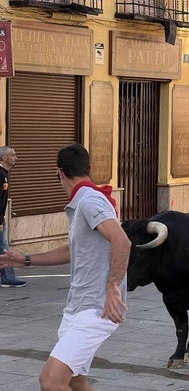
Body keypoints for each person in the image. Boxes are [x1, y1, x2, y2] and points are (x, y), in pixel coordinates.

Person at [0, 144, 131, 391]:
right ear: (88, 169)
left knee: (51, 381)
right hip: (78, 306)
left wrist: (113, 286)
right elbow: (73, 250)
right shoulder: (83, 200)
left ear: (59, 172)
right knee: (74, 380)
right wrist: (25, 259)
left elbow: (122, 240)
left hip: (96, 308)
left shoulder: (89, 200)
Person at [0, 146, 26, 287]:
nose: (16, 157)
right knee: (4, 248)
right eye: (13, 155)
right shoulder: (0, 174)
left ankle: (6, 277)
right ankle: (7, 278)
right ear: (4, 158)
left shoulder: (3, 173)